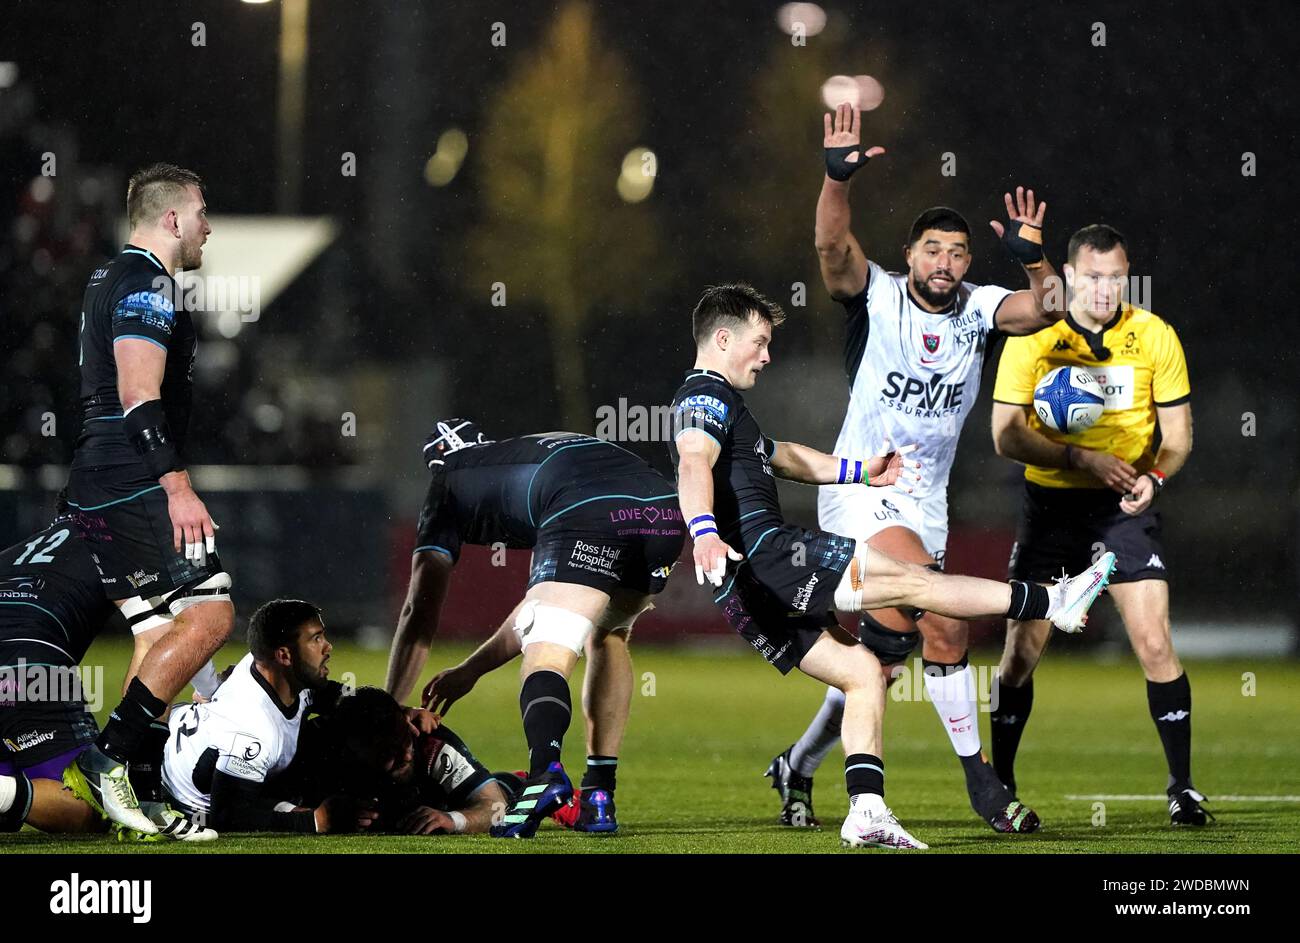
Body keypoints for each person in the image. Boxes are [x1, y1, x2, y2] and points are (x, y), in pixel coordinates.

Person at [669, 282, 1114, 849]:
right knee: (918, 584)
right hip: (773, 557)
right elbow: (692, 460)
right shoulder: (704, 398)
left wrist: (863, 470)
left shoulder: (728, 405)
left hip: (749, 586)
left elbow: (786, 457)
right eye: (759, 342)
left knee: (863, 673)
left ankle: (866, 811)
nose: (767, 354)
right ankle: (1054, 601)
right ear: (723, 338)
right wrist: (703, 530)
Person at [771, 103, 1069, 834]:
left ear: (970, 262)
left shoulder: (978, 307)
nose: (945, 262)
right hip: (861, 493)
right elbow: (831, 245)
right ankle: (982, 784)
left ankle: (797, 763)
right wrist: (835, 180)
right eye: (932, 248)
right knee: (942, 619)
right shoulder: (873, 294)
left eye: (958, 252)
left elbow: (1050, 310)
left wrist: (1034, 255)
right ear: (911, 253)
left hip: (924, 503)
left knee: (886, 656)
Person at [988, 223, 1206, 825]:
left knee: (1156, 642)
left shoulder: (1154, 335)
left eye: (1117, 277)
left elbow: (1180, 439)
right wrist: (1078, 456)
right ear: (1070, 275)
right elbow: (1004, 437)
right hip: (1051, 506)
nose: (1107, 289)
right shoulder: (1036, 334)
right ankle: (1000, 787)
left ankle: (1183, 788)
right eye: (1094, 277)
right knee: (1020, 655)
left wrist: (1152, 479)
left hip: (1123, 510)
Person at [387, 421, 684, 838]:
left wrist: (388, 709)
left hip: (584, 505)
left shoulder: (447, 482)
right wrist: (471, 670)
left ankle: (545, 774)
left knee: (547, 657)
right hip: (664, 508)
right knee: (609, 634)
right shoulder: (517, 453)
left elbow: (418, 610)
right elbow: (537, 612)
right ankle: (599, 797)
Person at [62, 163, 235, 835]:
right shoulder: (144, 282)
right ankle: (106, 760)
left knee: (159, 633)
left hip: (100, 477)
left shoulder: (108, 276)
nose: (207, 228)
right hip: (130, 478)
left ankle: (131, 791)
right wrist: (177, 486)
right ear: (171, 220)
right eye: (200, 215)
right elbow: (138, 394)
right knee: (212, 615)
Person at [0, 517, 213, 840]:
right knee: (94, 807)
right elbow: (157, 640)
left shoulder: (15, 552)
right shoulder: (117, 534)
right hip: (27, 662)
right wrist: (145, 782)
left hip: (21, 656)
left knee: (15, 807)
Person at [162, 599, 374, 834]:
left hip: (185, 731)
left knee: (339, 726)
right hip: (180, 794)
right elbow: (229, 817)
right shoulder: (253, 728)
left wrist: (399, 712)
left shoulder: (273, 669)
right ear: (284, 655)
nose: (328, 647)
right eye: (316, 639)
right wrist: (315, 821)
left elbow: (340, 697)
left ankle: (286, 801)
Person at [291, 686, 515, 836]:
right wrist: (315, 817)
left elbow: (496, 808)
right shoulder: (315, 749)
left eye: (406, 740)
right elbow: (264, 802)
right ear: (351, 749)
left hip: (452, 797)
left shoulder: (432, 744)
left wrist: (452, 819)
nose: (407, 755)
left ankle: (513, 781)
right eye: (389, 751)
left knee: (508, 790)